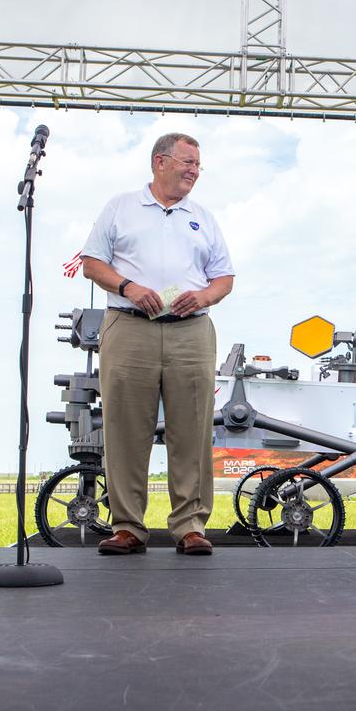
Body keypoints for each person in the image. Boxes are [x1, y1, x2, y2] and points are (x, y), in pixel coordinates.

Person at [81, 132, 234, 556]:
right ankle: (128, 525)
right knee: (126, 427)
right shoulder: (121, 207)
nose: (194, 171)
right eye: (187, 162)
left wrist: (203, 296)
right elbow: (91, 261)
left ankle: (189, 525)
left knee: (193, 428)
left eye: (198, 166)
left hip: (191, 329)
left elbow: (224, 277)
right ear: (159, 162)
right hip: (130, 326)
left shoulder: (203, 216)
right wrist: (128, 286)